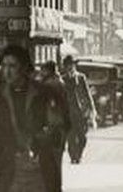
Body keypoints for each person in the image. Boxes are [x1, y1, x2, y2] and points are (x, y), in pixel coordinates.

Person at [0, 45, 64, 192]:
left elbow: (57, 128)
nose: (7, 71)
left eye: (12, 66)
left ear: (24, 68)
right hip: (8, 170)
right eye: (4, 66)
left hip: (39, 170)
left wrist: (40, 139)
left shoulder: (43, 94)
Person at [38, 61, 70, 191]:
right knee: (57, 161)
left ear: (48, 71)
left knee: (49, 163)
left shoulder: (49, 85)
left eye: (42, 70)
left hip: (52, 128)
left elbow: (50, 108)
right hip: (60, 127)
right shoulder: (60, 82)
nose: (40, 73)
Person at [61, 55, 95, 164]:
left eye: (72, 65)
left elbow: (87, 94)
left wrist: (92, 108)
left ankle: (78, 154)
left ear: (74, 66)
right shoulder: (63, 79)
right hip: (68, 113)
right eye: (68, 66)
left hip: (81, 112)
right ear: (65, 67)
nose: (70, 67)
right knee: (70, 137)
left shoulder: (81, 78)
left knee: (83, 138)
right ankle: (73, 157)